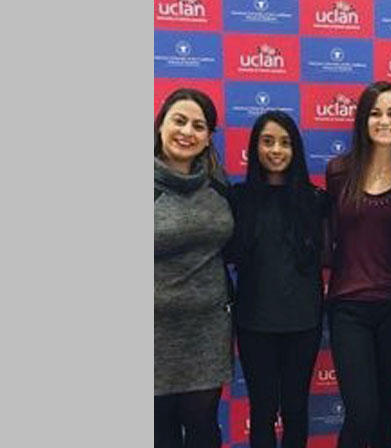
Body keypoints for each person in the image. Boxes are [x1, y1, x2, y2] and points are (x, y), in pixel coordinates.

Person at [225, 111, 328, 448]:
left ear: (296, 149)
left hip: (303, 322)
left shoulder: (315, 200)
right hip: (254, 323)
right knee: (263, 409)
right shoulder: (239, 199)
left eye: (284, 143)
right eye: (267, 141)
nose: (276, 150)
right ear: (255, 147)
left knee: (296, 408)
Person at [324, 81, 391, 448]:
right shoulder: (338, 171)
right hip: (349, 306)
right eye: (376, 113)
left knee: (386, 412)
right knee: (361, 412)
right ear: (363, 120)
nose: (384, 121)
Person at [154, 88, 234, 448]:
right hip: (152, 334)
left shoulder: (218, 184)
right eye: (179, 121)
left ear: (207, 139)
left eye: (198, 126)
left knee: (204, 431)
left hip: (206, 332)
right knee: (160, 433)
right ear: (160, 126)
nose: (187, 132)